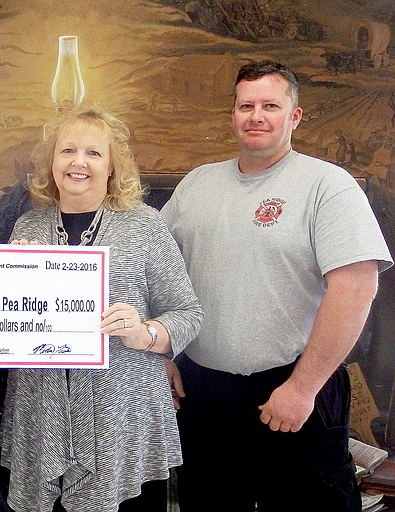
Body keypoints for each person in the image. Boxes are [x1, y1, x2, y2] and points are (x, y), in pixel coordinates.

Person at [161, 60, 393, 512]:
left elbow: (356, 288)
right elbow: (157, 269)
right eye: (246, 105)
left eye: (270, 105)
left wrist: (303, 388)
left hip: (293, 389)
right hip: (203, 394)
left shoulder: (328, 186)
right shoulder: (196, 185)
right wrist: (163, 353)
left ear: (294, 115)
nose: (256, 116)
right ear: (233, 114)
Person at [0, 105, 203, 512]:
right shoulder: (28, 228)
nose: (79, 162)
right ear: (52, 162)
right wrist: (9, 277)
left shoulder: (144, 225)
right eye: (68, 151)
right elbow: (9, 325)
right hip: (42, 416)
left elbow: (187, 313)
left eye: (94, 153)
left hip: (123, 420)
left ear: (112, 166)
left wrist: (144, 332)